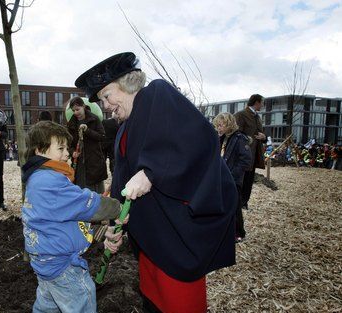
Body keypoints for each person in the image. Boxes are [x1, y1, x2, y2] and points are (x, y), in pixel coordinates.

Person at [75, 52, 237, 312]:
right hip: (152, 240)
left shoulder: (157, 95)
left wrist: (152, 172)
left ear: (127, 83)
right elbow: (124, 187)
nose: (105, 105)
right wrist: (115, 225)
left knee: (178, 302)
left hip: (177, 236)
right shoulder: (124, 130)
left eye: (107, 95)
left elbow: (198, 139)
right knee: (154, 301)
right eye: (101, 100)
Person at [21, 120, 124, 313]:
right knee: (82, 300)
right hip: (63, 266)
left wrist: (102, 231)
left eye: (67, 148)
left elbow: (66, 221)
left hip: (46, 263)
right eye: (60, 148)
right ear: (39, 151)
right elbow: (85, 203)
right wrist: (115, 208)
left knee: (47, 306)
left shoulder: (37, 179)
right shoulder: (49, 181)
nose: (67, 153)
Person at [213, 112, 252, 242]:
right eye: (217, 125)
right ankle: (225, 230)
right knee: (222, 204)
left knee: (234, 206)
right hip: (221, 178)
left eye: (221, 125)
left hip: (233, 179)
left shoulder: (239, 138)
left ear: (229, 124)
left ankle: (239, 232)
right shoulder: (221, 138)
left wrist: (232, 174)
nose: (219, 128)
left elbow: (246, 160)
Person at [66, 96, 107, 192]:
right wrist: (72, 153)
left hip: (94, 161)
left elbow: (102, 137)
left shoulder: (94, 119)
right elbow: (69, 144)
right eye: (73, 110)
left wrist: (87, 130)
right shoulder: (71, 124)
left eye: (77, 109)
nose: (76, 112)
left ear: (83, 106)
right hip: (79, 164)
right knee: (81, 191)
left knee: (96, 192)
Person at [234, 94, 266, 210]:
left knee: (249, 181)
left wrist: (264, 137)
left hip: (254, 155)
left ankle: (244, 203)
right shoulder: (241, 115)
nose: (263, 105)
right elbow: (236, 134)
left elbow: (260, 134)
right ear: (256, 102)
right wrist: (247, 139)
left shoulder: (257, 117)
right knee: (241, 180)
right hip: (243, 155)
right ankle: (237, 203)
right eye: (262, 102)